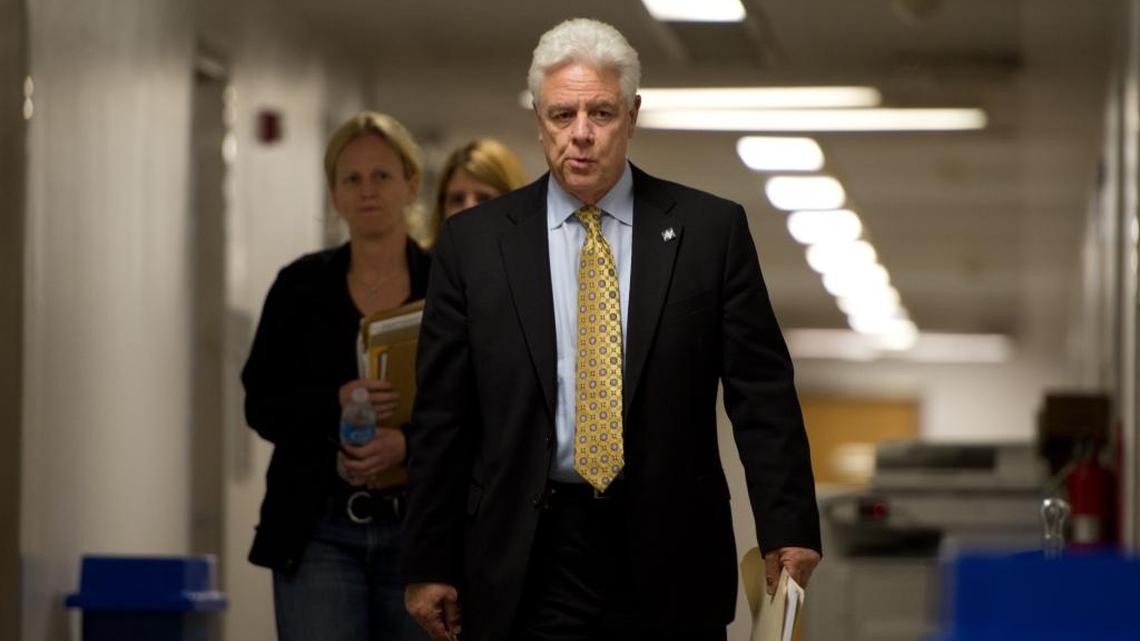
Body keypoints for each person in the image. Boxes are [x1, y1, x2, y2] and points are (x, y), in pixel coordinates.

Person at [402, 18, 821, 641]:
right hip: (527, 548)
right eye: (561, 115)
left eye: (599, 113)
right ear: (539, 119)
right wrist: (428, 560)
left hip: (670, 543)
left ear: (632, 114)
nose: (580, 135)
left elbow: (761, 391)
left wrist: (786, 524)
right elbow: (443, 414)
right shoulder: (475, 244)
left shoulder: (710, 233)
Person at [242, 111, 431, 641]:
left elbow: (481, 407)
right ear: (335, 194)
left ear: (411, 185)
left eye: (382, 176)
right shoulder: (299, 288)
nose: (367, 190)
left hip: (418, 533)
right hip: (319, 527)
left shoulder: (445, 287)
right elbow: (262, 402)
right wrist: (335, 401)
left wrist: (407, 445)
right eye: (352, 178)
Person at [417, 138, 527, 247]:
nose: (468, 209)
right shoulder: (423, 263)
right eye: (457, 199)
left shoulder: (537, 261)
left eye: (484, 198)